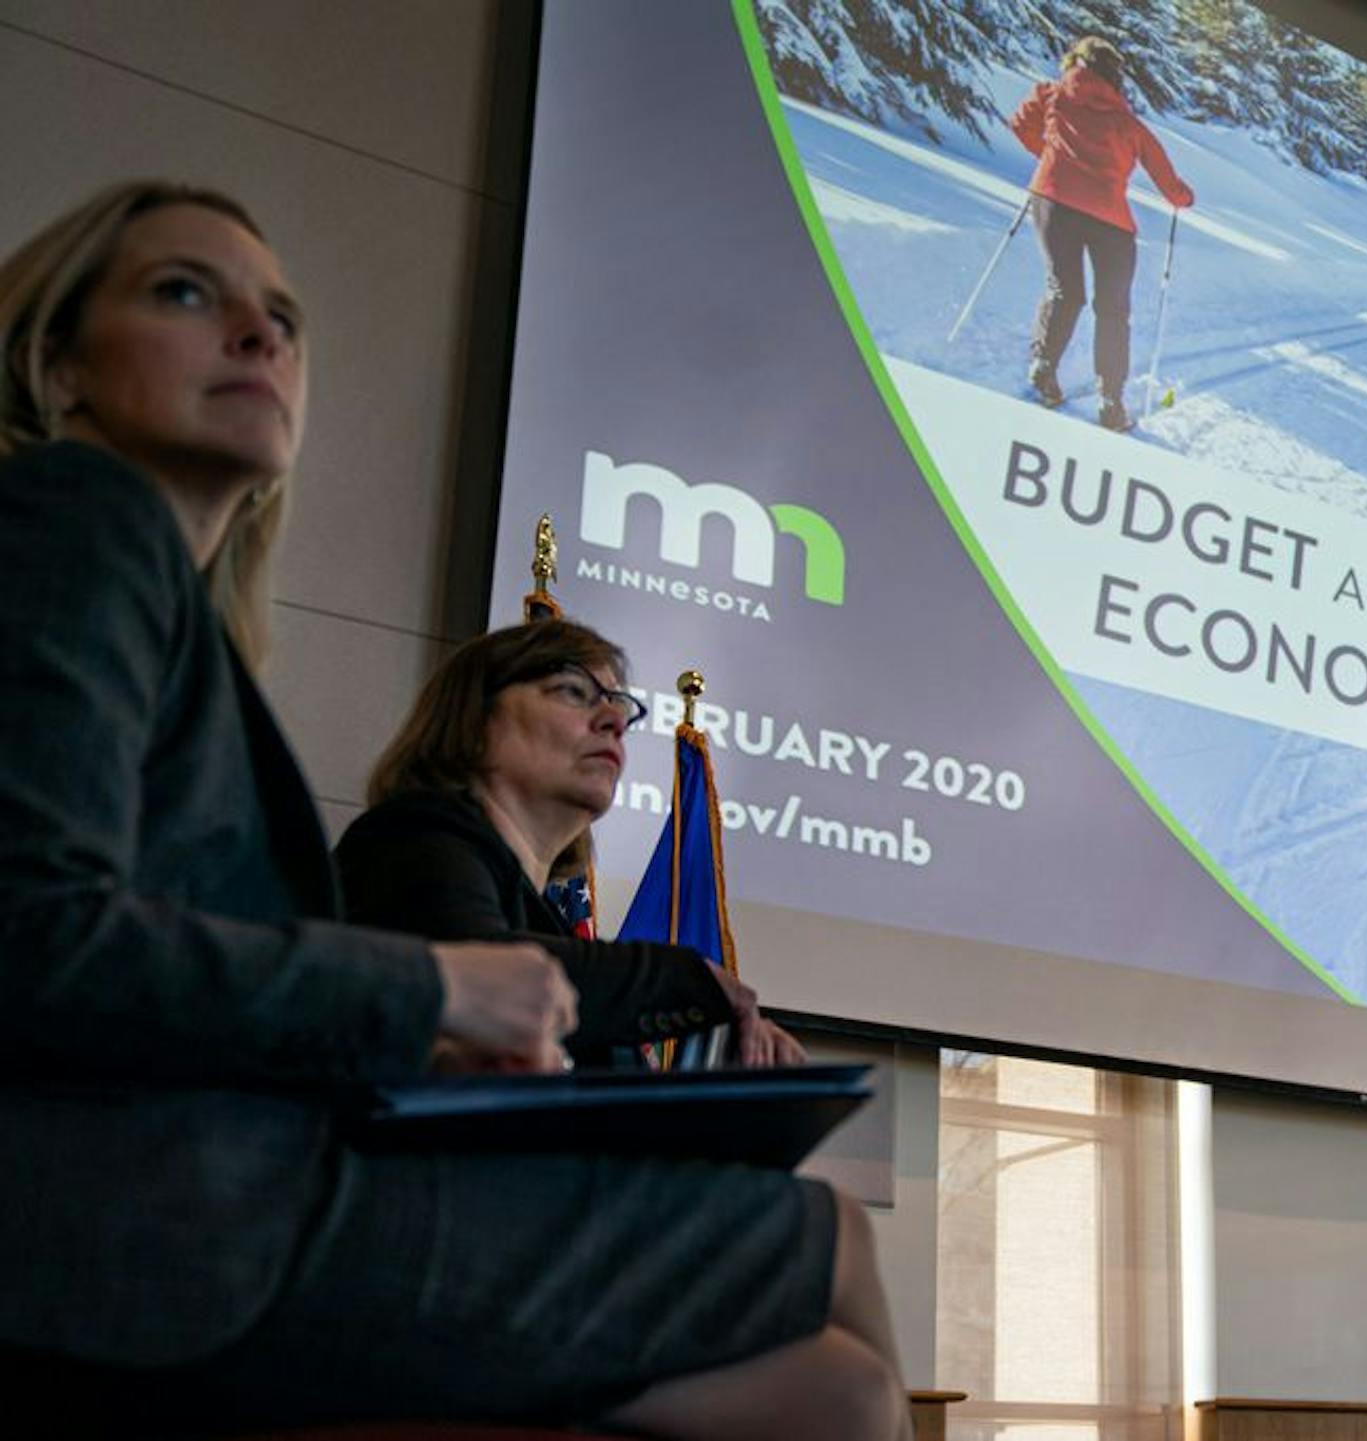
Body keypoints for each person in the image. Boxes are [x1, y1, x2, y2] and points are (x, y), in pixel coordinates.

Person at [0, 180, 904, 1439]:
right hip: (165, 1233)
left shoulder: (157, 596)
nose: (261, 336)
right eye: (185, 293)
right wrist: (433, 992)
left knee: (843, 1390)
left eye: (285, 317)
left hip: (213, 1210)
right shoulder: (79, 520)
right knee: (824, 1238)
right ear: (55, 363)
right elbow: (33, 937)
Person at [335, 618, 804, 1071]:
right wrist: (695, 979)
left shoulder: (551, 923)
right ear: (476, 719)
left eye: (620, 708)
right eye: (573, 692)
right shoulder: (409, 839)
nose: (613, 721)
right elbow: (488, 975)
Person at [1010, 35, 1194, 433]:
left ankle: (1043, 368)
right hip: (1110, 221)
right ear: (1115, 78)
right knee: (1113, 310)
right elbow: (1165, 176)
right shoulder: (1128, 124)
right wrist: (1182, 197)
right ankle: (1111, 403)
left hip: (1054, 201)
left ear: (1074, 63)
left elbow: (1021, 124)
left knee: (1065, 289)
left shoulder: (1051, 94)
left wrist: (1051, 157)